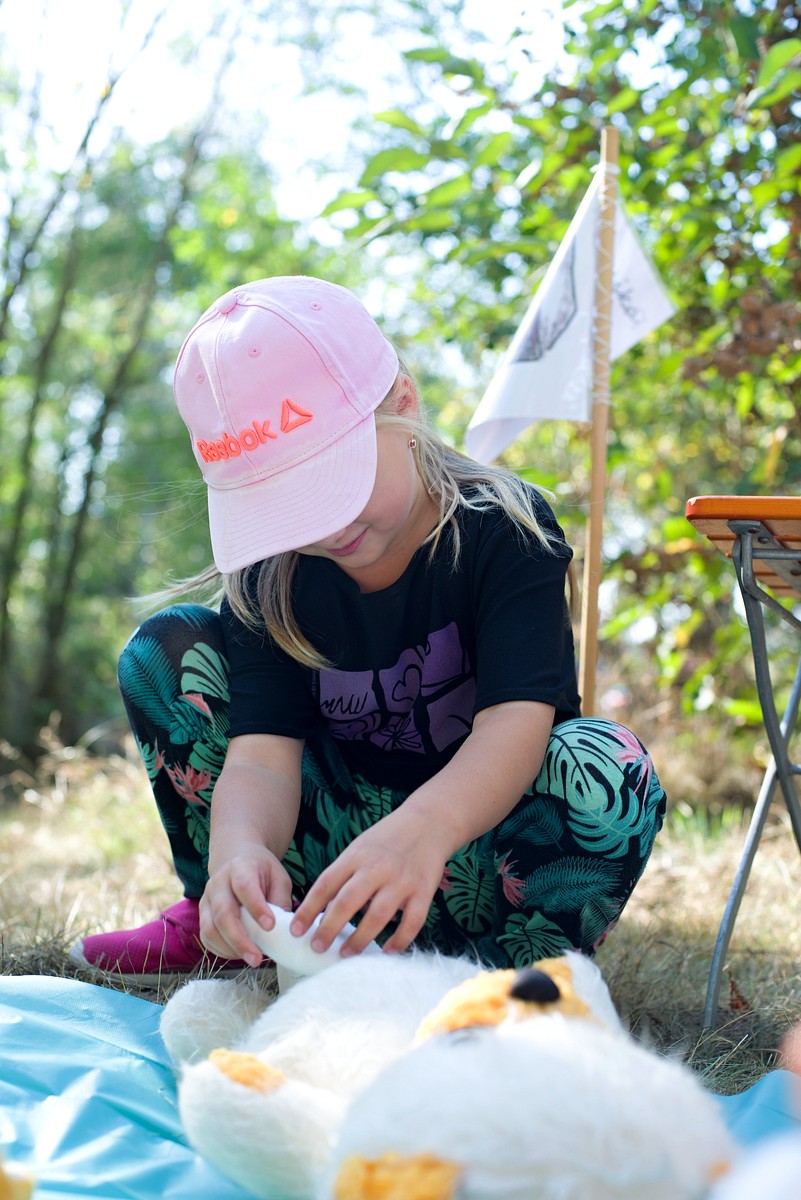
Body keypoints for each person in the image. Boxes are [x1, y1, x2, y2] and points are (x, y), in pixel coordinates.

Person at [71, 275, 666, 981]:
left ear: (403, 405)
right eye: (283, 504)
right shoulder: (274, 573)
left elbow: (517, 724)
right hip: (327, 870)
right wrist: (239, 852)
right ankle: (237, 925)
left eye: (333, 483)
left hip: (475, 856)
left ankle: (506, 980)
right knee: (166, 649)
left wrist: (423, 831)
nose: (322, 527)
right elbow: (261, 759)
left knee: (610, 767)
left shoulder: (503, 529)